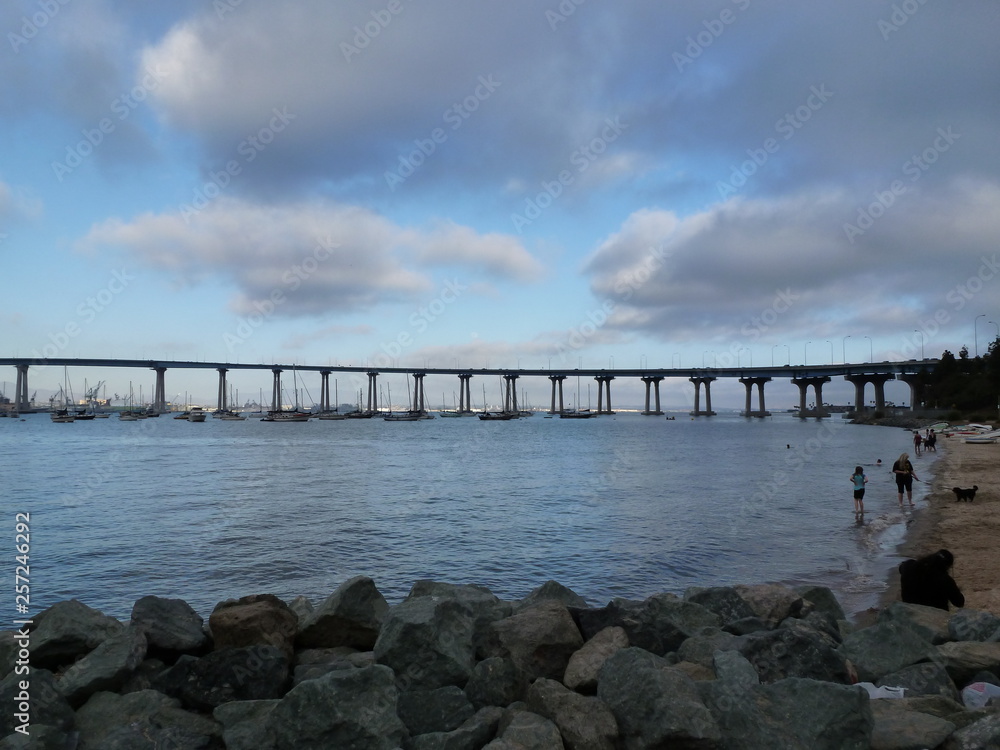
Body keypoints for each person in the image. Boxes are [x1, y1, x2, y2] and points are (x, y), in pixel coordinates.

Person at [898, 549, 964, 610]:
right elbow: (959, 603)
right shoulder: (945, 580)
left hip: (909, 611)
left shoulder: (909, 566)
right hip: (934, 617)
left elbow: (900, 568)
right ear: (946, 566)